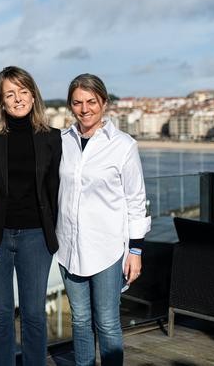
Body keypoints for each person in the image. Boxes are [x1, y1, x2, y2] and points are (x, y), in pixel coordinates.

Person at [0, 65, 62, 366]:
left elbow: (59, 190)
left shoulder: (52, 137)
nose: (18, 98)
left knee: (34, 314)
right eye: (10, 93)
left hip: (36, 237)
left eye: (23, 91)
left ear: (33, 96)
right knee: (1, 315)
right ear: (1, 101)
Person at [56, 73, 151, 366]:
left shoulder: (124, 146)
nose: (85, 109)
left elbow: (136, 200)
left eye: (91, 102)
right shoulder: (62, 142)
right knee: (81, 320)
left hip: (107, 248)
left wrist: (135, 250)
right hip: (68, 248)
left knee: (108, 322)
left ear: (104, 103)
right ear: (70, 106)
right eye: (78, 102)